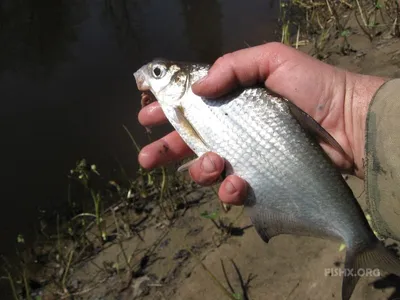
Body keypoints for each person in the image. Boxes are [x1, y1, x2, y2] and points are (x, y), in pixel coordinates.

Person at [137, 42, 400, 242]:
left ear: (180, 78)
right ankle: (357, 237)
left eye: (157, 72)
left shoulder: (195, 87)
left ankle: (358, 238)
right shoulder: (177, 103)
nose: (149, 75)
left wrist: (346, 111)